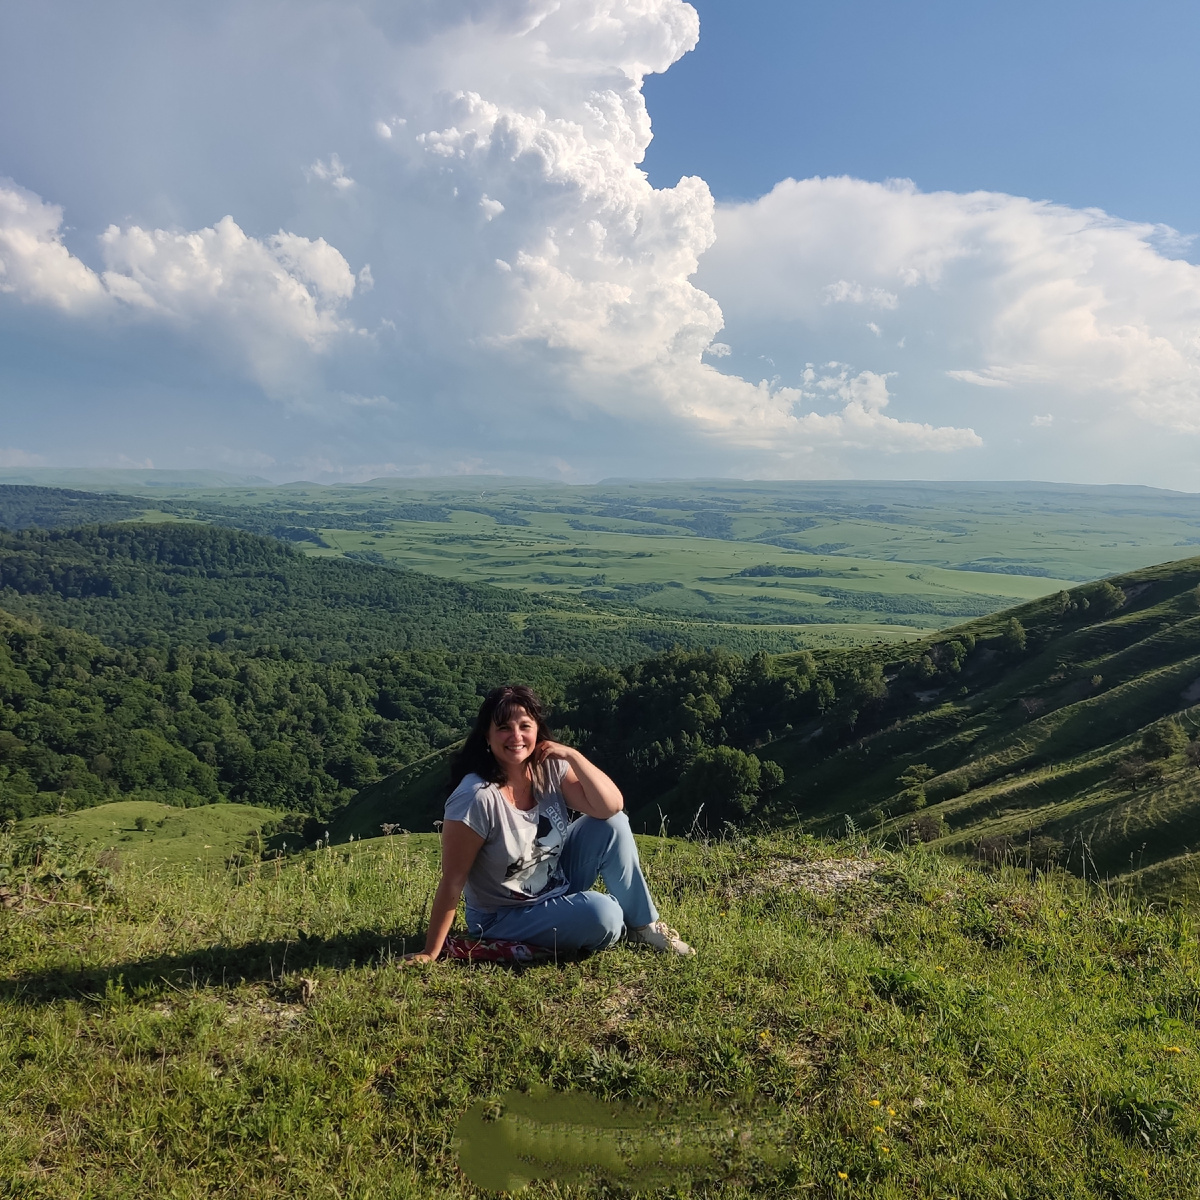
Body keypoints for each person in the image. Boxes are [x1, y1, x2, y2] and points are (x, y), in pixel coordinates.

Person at [403, 684, 693, 962]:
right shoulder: (475, 798)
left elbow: (611, 806)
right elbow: (453, 880)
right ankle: (602, 920)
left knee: (613, 824)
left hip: (555, 881)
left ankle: (644, 927)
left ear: (538, 731)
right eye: (503, 728)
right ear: (487, 738)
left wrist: (573, 756)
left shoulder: (548, 768)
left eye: (524, 726)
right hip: (504, 915)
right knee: (606, 915)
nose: (515, 736)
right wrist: (431, 952)